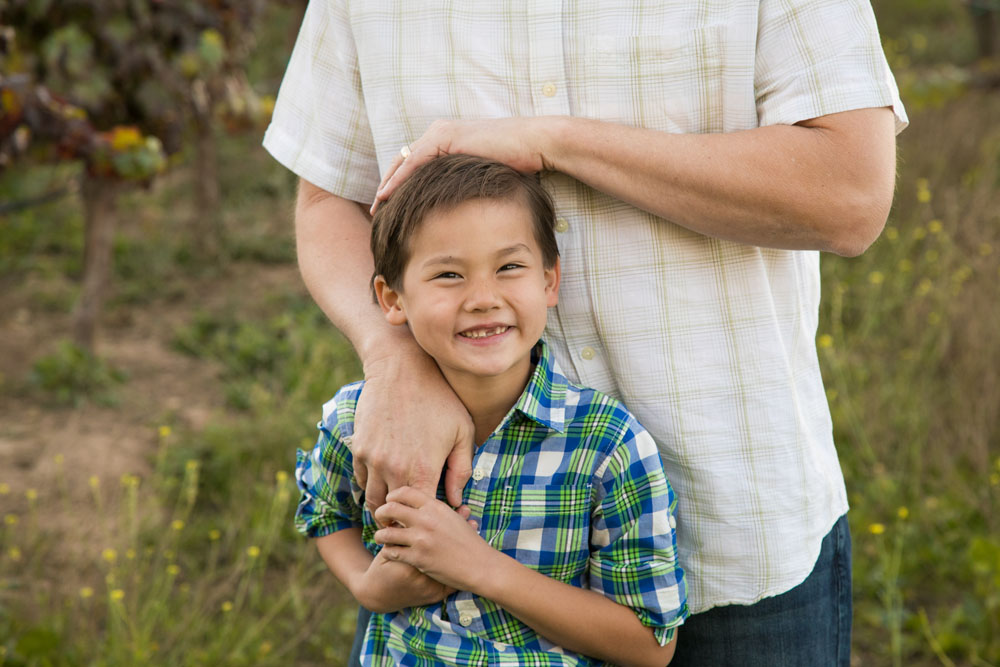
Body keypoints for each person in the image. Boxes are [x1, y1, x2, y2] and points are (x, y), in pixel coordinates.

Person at [264, 2, 907, 664]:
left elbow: (852, 194)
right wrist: (393, 357)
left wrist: (556, 142)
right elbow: (329, 198)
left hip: (733, 537)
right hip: (451, 573)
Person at [294, 154, 688, 665]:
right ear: (392, 299)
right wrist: (368, 588)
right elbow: (325, 511)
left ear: (548, 282)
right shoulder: (362, 419)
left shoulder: (606, 445)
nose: (483, 298)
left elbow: (650, 646)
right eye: (449, 275)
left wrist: (477, 567)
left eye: (509, 267)